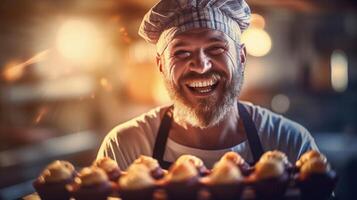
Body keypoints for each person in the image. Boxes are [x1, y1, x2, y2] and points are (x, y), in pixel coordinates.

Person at [96, 0, 319, 169]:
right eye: (181, 52)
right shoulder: (126, 146)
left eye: (216, 49)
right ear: (161, 65)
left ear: (241, 56)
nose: (201, 66)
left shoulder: (289, 142)